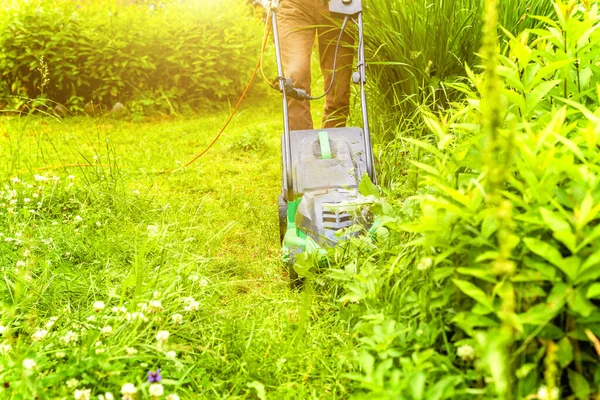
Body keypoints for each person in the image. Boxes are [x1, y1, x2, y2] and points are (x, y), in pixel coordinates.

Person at [277, 0, 354, 131]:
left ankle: (334, 140)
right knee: (295, 76)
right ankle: (300, 143)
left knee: (339, 85)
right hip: (295, 6)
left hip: (339, 6)